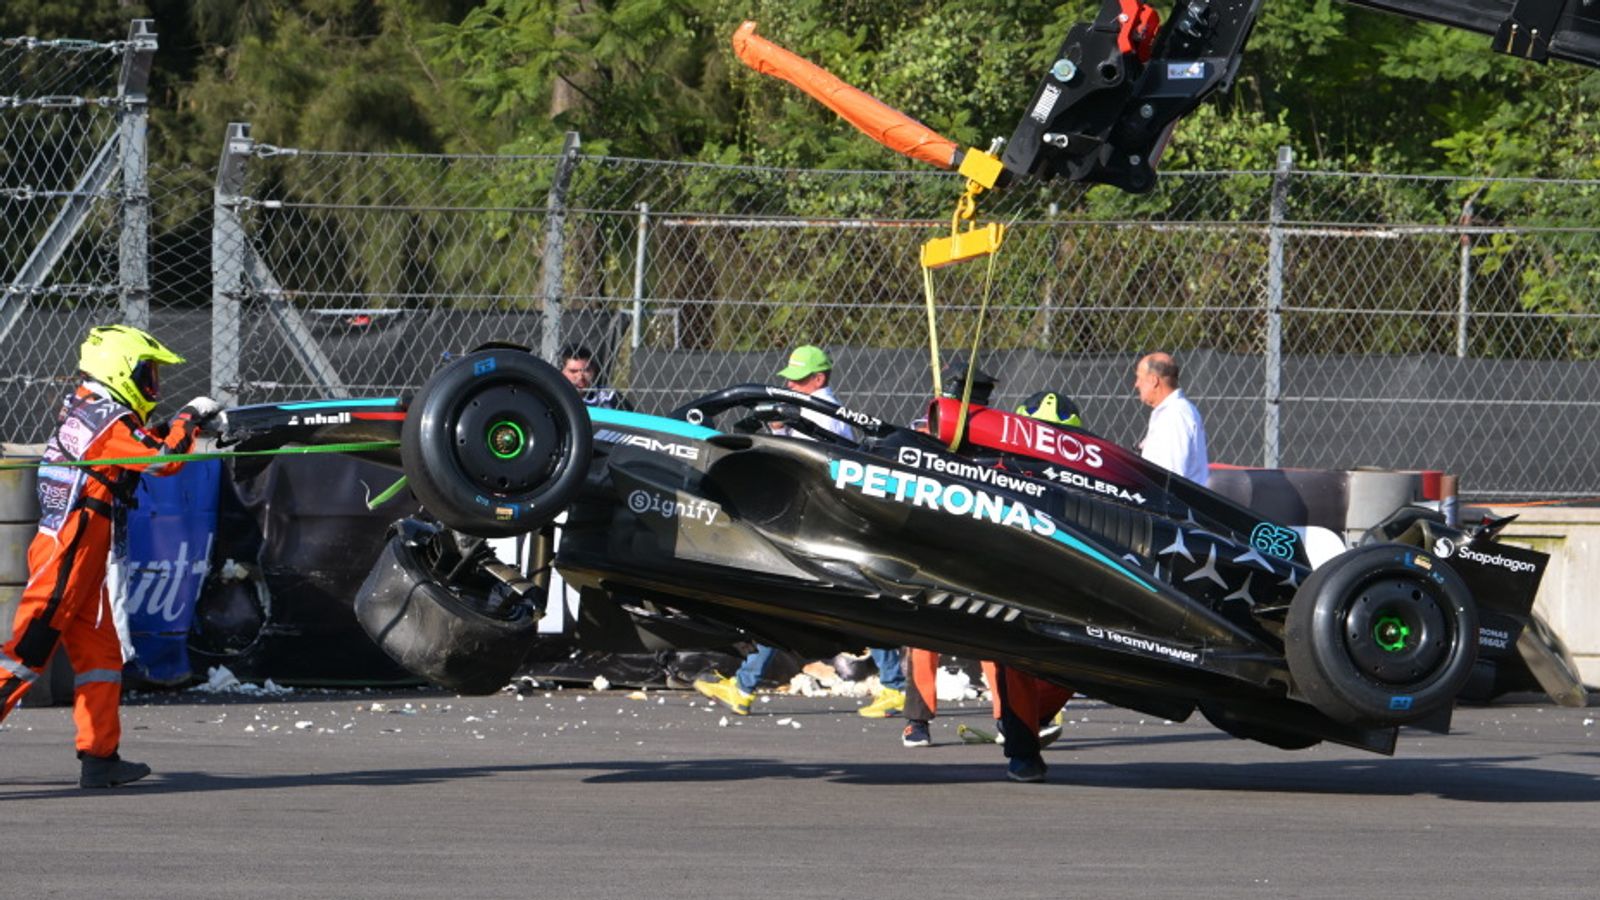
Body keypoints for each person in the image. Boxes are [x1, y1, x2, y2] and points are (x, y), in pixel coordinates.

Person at [0, 325, 221, 788]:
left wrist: (187, 426)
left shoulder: (95, 407)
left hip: (82, 552)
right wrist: (189, 416)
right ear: (121, 371)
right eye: (147, 374)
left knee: (100, 653)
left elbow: (139, 444)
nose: (152, 385)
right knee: (25, 654)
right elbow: (162, 460)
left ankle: (100, 758)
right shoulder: (106, 421)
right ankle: (98, 756)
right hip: (69, 553)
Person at [695, 344, 904, 716]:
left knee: (793, 602)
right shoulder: (820, 409)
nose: (790, 383)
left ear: (818, 379)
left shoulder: (821, 414)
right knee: (833, 603)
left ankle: (745, 687)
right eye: (789, 377)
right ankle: (745, 686)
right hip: (821, 526)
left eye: (798, 378)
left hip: (814, 527)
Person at [1133, 351, 1209, 486]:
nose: (1136, 384)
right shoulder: (1173, 412)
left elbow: (1170, 477)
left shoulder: (1174, 416)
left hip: (1175, 504)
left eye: (1139, 378)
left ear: (1153, 380)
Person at [560, 344, 631, 410]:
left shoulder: (609, 397)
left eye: (586, 370)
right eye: (573, 371)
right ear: (561, 372)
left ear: (593, 370)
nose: (580, 377)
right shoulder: (556, 397)